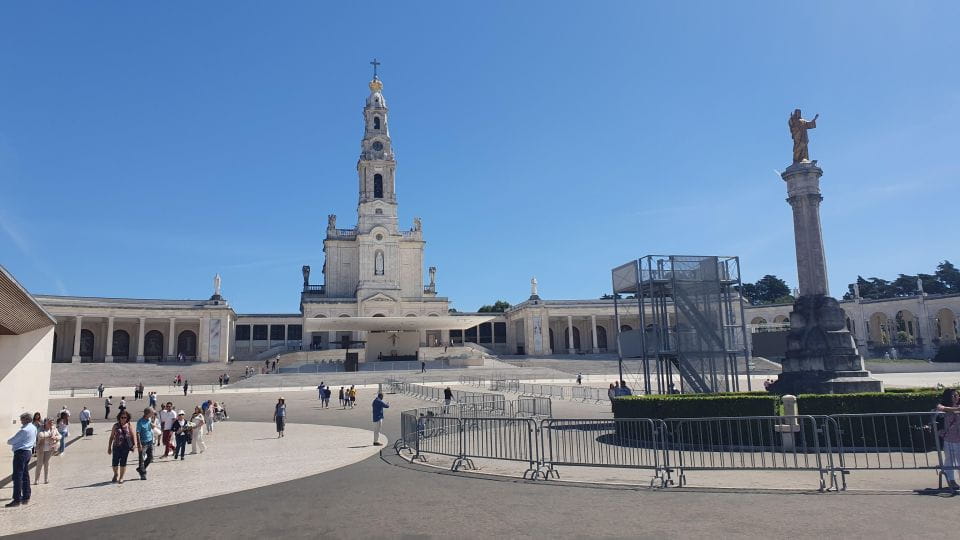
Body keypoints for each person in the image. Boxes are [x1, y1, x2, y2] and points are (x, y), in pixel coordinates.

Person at [6, 412, 36, 507]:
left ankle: (17, 499)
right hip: (28, 452)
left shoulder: (24, 430)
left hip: (21, 453)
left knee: (17, 476)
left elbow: (11, 441)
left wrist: (10, 442)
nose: (20, 420)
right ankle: (26, 496)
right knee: (25, 475)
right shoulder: (33, 428)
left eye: (22, 418)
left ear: (26, 419)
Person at [937, 388, 960, 490]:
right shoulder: (942, 406)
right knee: (950, 461)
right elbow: (940, 408)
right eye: (953, 396)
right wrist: (956, 410)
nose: (956, 397)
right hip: (949, 439)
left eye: (957, 395)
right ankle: (951, 480)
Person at [108, 410, 136, 484]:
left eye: (125, 417)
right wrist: (109, 447)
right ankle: (116, 473)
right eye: (122, 417)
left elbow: (132, 435)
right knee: (114, 463)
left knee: (123, 462)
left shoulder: (129, 425)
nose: (123, 419)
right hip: (116, 446)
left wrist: (134, 445)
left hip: (125, 447)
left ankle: (121, 477)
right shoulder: (115, 426)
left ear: (127, 418)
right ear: (119, 418)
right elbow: (111, 437)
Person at [35, 418, 60, 485]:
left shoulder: (54, 429)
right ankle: (36, 480)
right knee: (39, 464)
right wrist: (50, 436)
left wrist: (56, 437)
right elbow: (40, 435)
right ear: (45, 423)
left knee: (47, 464)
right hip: (41, 448)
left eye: (52, 422)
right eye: (49, 422)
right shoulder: (41, 428)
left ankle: (46, 479)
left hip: (50, 448)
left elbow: (60, 436)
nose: (51, 424)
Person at [136, 407, 155, 480]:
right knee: (141, 459)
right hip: (143, 442)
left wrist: (152, 426)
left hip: (150, 441)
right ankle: (143, 474)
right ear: (148, 414)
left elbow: (150, 427)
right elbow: (137, 433)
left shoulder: (149, 419)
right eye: (152, 413)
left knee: (150, 458)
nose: (153, 414)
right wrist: (139, 444)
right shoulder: (140, 422)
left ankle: (141, 469)